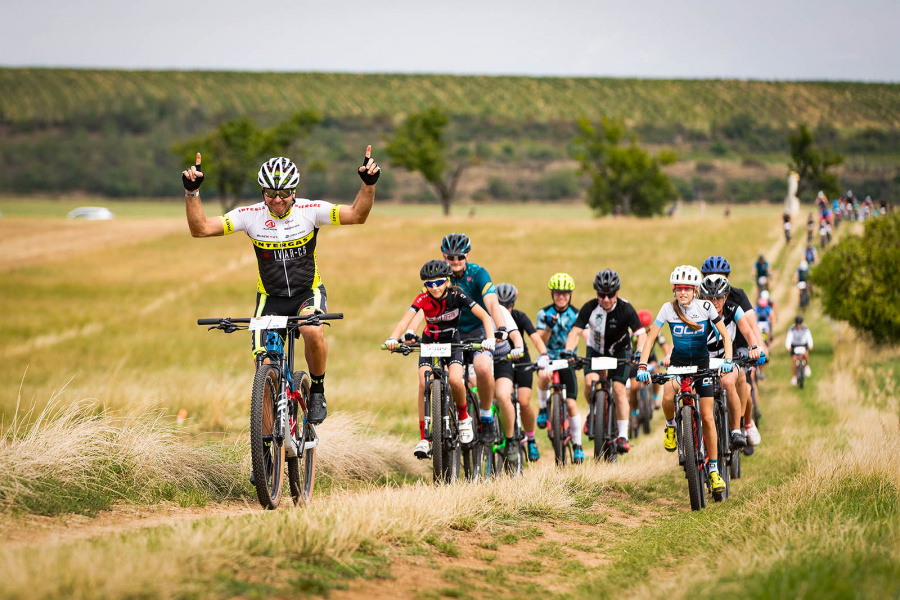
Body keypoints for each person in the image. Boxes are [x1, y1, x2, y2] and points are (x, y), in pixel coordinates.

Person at [182, 149, 381, 425]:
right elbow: (200, 228)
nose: (277, 199)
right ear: (262, 191)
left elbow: (357, 214)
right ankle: (263, 458)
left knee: (311, 328)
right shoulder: (250, 215)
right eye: (270, 193)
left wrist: (368, 185)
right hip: (270, 299)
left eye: (284, 193)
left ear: (294, 191)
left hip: (306, 294)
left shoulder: (311, 211)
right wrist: (192, 193)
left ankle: (318, 391)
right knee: (262, 375)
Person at [636, 265, 734, 495]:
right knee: (668, 396)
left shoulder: (706, 307)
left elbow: (726, 336)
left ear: (695, 290)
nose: (682, 293)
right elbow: (650, 340)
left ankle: (713, 469)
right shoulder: (667, 309)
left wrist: (728, 360)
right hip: (679, 364)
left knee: (708, 417)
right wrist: (642, 365)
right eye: (678, 289)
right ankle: (671, 426)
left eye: (687, 289)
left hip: (702, 365)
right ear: (674, 290)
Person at [384, 260, 494, 458]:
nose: (434, 288)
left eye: (439, 282)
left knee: (455, 380)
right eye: (429, 284)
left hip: (453, 342)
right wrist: (394, 337)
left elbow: (485, 316)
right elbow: (406, 318)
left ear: (447, 282)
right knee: (423, 382)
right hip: (429, 343)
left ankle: (462, 417)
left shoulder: (457, 294)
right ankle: (425, 438)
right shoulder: (423, 298)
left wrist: (490, 339)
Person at [433, 233, 509, 443]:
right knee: (445, 376)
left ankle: (486, 415)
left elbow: (492, 303)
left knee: (483, 367)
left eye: (460, 257)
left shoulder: (478, 273)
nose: (455, 262)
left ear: (467, 256)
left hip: (479, 332)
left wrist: (500, 327)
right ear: (443, 256)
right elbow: (423, 306)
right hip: (450, 333)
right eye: (451, 257)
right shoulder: (439, 276)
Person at [563, 269, 645, 454]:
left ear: (617, 292)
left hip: (620, 352)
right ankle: (593, 412)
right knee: (590, 381)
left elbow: (641, 334)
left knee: (618, 389)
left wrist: (639, 352)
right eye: (601, 294)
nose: (606, 299)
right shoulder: (590, 307)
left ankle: (622, 436)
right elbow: (576, 332)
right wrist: (569, 350)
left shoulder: (626, 308)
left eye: (610, 295)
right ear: (596, 293)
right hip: (596, 350)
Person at [700, 256, 766, 450]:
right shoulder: (700, 298)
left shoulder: (737, 296)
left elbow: (751, 326)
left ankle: (746, 423)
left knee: (744, 382)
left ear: (728, 277)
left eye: (719, 276)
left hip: (738, 344)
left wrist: (759, 349)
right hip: (711, 348)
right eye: (709, 276)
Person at [496, 283, 550, 462]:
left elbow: (535, 337)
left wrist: (544, 355)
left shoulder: (520, 317)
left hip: (521, 361)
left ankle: (531, 439)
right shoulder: (493, 318)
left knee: (525, 402)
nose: (506, 310)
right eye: (501, 305)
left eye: (509, 305)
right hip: (502, 361)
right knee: (503, 397)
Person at [535, 273, 584, 463]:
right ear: (552, 294)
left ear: (570, 294)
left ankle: (578, 445)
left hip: (567, 360)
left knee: (571, 404)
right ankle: (542, 409)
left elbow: (582, 335)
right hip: (548, 357)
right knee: (543, 375)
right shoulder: (543, 313)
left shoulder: (577, 314)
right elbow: (539, 339)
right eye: (557, 293)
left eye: (564, 293)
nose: (561, 297)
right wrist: (548, 327)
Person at [785, 315, 814, 386]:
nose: (798, 325)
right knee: (794, 360)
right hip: (794, 346)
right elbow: (789, 338)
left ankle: (806, 366)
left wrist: (810, 345)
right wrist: (788, 346)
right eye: (797, 323)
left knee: (806, 354)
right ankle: (794, 377)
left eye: (800, 323)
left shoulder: (805, 328)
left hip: (803, 345)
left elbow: (808, 337)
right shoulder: (792, 329)